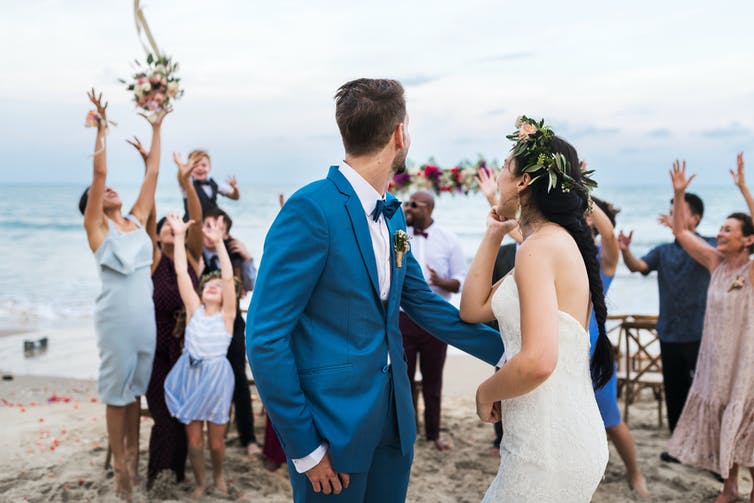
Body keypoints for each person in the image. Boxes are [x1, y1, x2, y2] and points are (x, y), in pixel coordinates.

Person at [246, 78, 503, 502]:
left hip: (394, 421)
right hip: (330, 429)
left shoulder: (394, 218)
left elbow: (426, 306)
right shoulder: (310, 209)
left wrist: (509, 352)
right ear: (399, 134)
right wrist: (305, 449)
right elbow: (264, 337)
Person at [460, 116, 610, 502]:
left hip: (549, 446)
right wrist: (493, 234)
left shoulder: (539, 248)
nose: (497, 178)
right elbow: (473, 309)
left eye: (505, 169)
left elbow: (539, 361)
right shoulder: (546, 243)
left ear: (524, 182)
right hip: (553, 434)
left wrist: (484, 391)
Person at [79, 89, 166, 499]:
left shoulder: (136, 219)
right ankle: (120, 471)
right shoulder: (98, 230)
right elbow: (98, 176)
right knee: (117, 394)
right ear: (91, 210)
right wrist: (100, 126)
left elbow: (152, 175)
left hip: (144, 321)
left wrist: (156, 126)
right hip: (114, 320)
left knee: (135, 391)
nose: (111, 189)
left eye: (115, 188)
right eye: (105, 192)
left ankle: (133, 458)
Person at [666, 155, 754, 503]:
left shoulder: (751, 272)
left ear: (748, 240)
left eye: (728, 229)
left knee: (747, 419)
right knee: (720, 415)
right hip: (716, 361)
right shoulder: (715, 264)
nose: (720, 232)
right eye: (720, 227)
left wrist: (744, 188)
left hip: (747, 363)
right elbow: (680, 232)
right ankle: (729, 486)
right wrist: (678, 195)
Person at [128, 148, 203, 487]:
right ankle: (158, 480)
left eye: (177, 228)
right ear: (157, 237)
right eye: (166, 229)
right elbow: (147, 217)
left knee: (186, 416)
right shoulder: (155, 261)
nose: (172, 231)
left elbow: (197, 217)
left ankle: (179, 475)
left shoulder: (192, 256)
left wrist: (186, 183)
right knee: (164, 418)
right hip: (157, 352)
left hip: (190, 353)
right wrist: (150, 169)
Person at [618, 187, 715, 442]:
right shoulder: (662, 251)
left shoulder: (710, 246)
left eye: (680, 213)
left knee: (705, 393)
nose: (673, 217)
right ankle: (678, 445)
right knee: (675, 393)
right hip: (669, 332)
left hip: (701, 334)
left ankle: (706, 444)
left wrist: (682, 233)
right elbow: (638, 266)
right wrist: (625, 250)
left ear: (695, 218)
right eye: (672, 213)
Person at [163, 213, 237, 499]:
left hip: (217, 377)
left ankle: (218, 477)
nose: (213, 286)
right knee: (194, 439)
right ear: (201, 291)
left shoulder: (227, 316)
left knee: (216, 442)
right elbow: (182, 273)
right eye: (208, 284)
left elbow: (228, 277)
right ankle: (200, 483)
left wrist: (218, 243)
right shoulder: (194, 311)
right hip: (190, 375)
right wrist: (180, 237)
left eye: (217, 287)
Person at [586, 194, 650, 497]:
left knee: (610, 417)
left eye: (585, 214)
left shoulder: (605, 258)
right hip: (561, 348)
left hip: (594, 349)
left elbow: (610, 234)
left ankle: (635, 473)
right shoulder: (562, 251)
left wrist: (580, 189)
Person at [399, 190, 466, 451]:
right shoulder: (399, 235)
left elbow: (461, 278)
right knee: (402, 381)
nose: (407, 208)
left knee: (433, 380)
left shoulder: (448, 239)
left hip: (437, 320)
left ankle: (433, 434)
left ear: (427, 208)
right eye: (406, 203)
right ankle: (407, 431)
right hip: (403, 318)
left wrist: (441, 282)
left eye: (412, 205)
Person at [200, 207, 259, 456]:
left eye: (219, 227)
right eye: (207, 225)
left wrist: (247, 259)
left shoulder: (234, 255)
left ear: (226, 233)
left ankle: (248, 439)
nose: (212, 231)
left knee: (238, 381)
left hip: (232, 323)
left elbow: (253, 285)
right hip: (201, 326)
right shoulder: (195, 254)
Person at [182, 149, 240, 216]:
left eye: (204, 165)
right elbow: (182, 177)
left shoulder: (215, 184)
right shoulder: (187, 184)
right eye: (195, 165)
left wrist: (235, 188)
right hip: (193, 222)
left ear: (209, 167)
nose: (200, 168)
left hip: (211, 221)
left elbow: (235, 197)